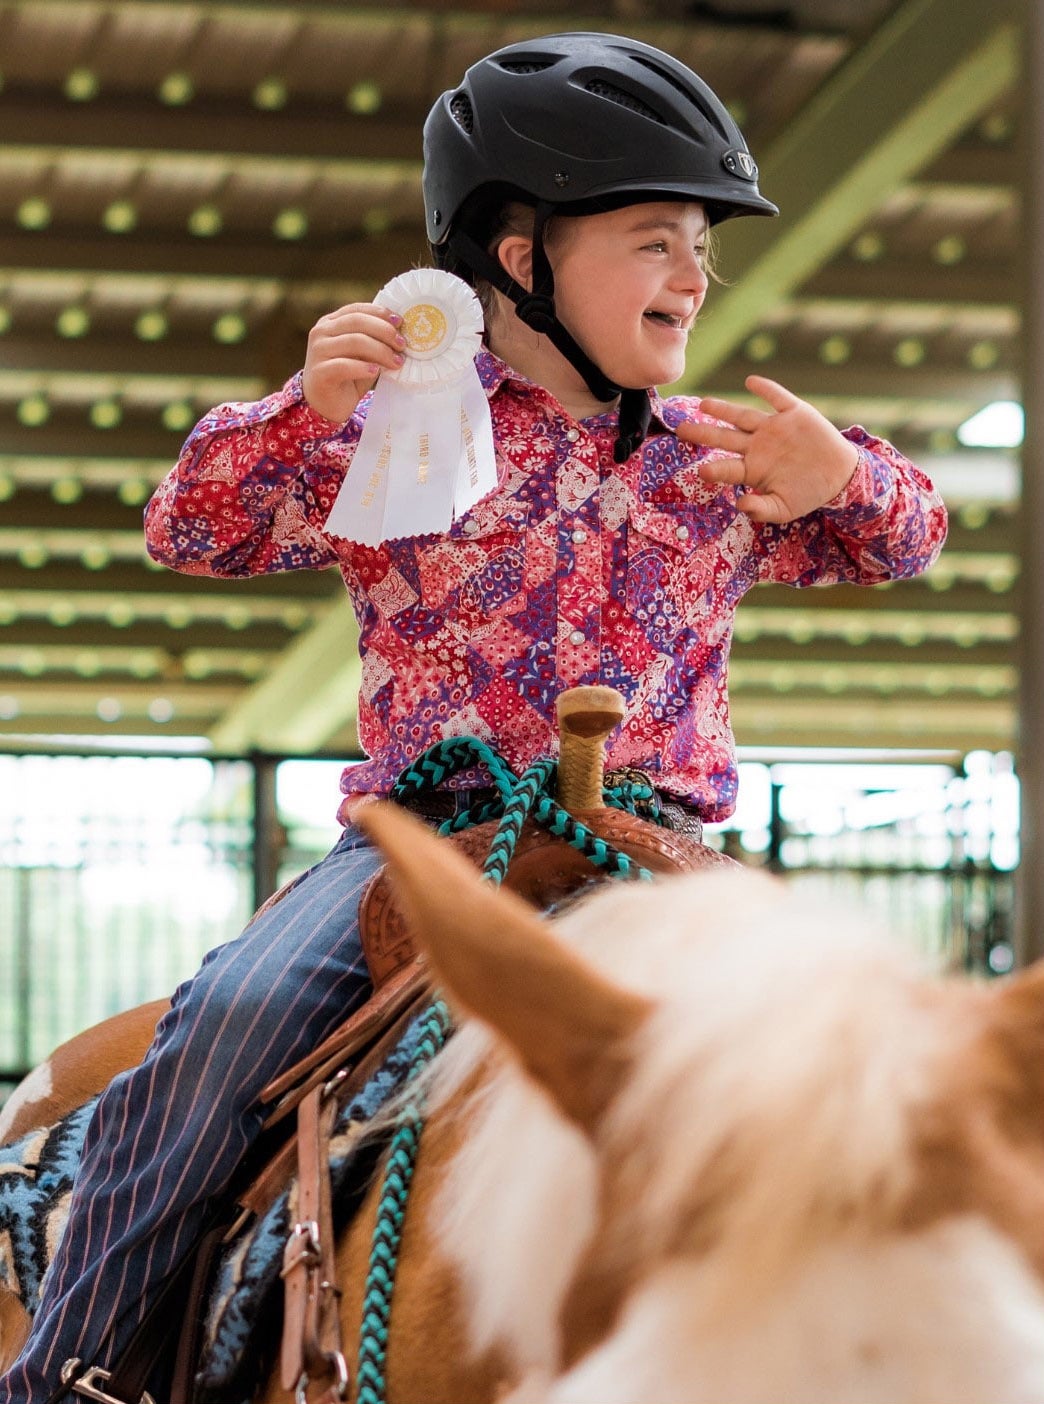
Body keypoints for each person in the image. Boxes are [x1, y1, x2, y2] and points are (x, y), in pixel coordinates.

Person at [0, 30, 947, 1404]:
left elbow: (901, 545)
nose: (695, 275)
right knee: (233, 1017)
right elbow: (189, 525)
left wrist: (849, 474)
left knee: (875, 1047)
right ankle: (75, 1370)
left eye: (701, 247)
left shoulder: (721, 462)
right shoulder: (390, 430)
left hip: (663, 852)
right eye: (654, 241)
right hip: (424, 847)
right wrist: (297, 411)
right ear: (519, 258)